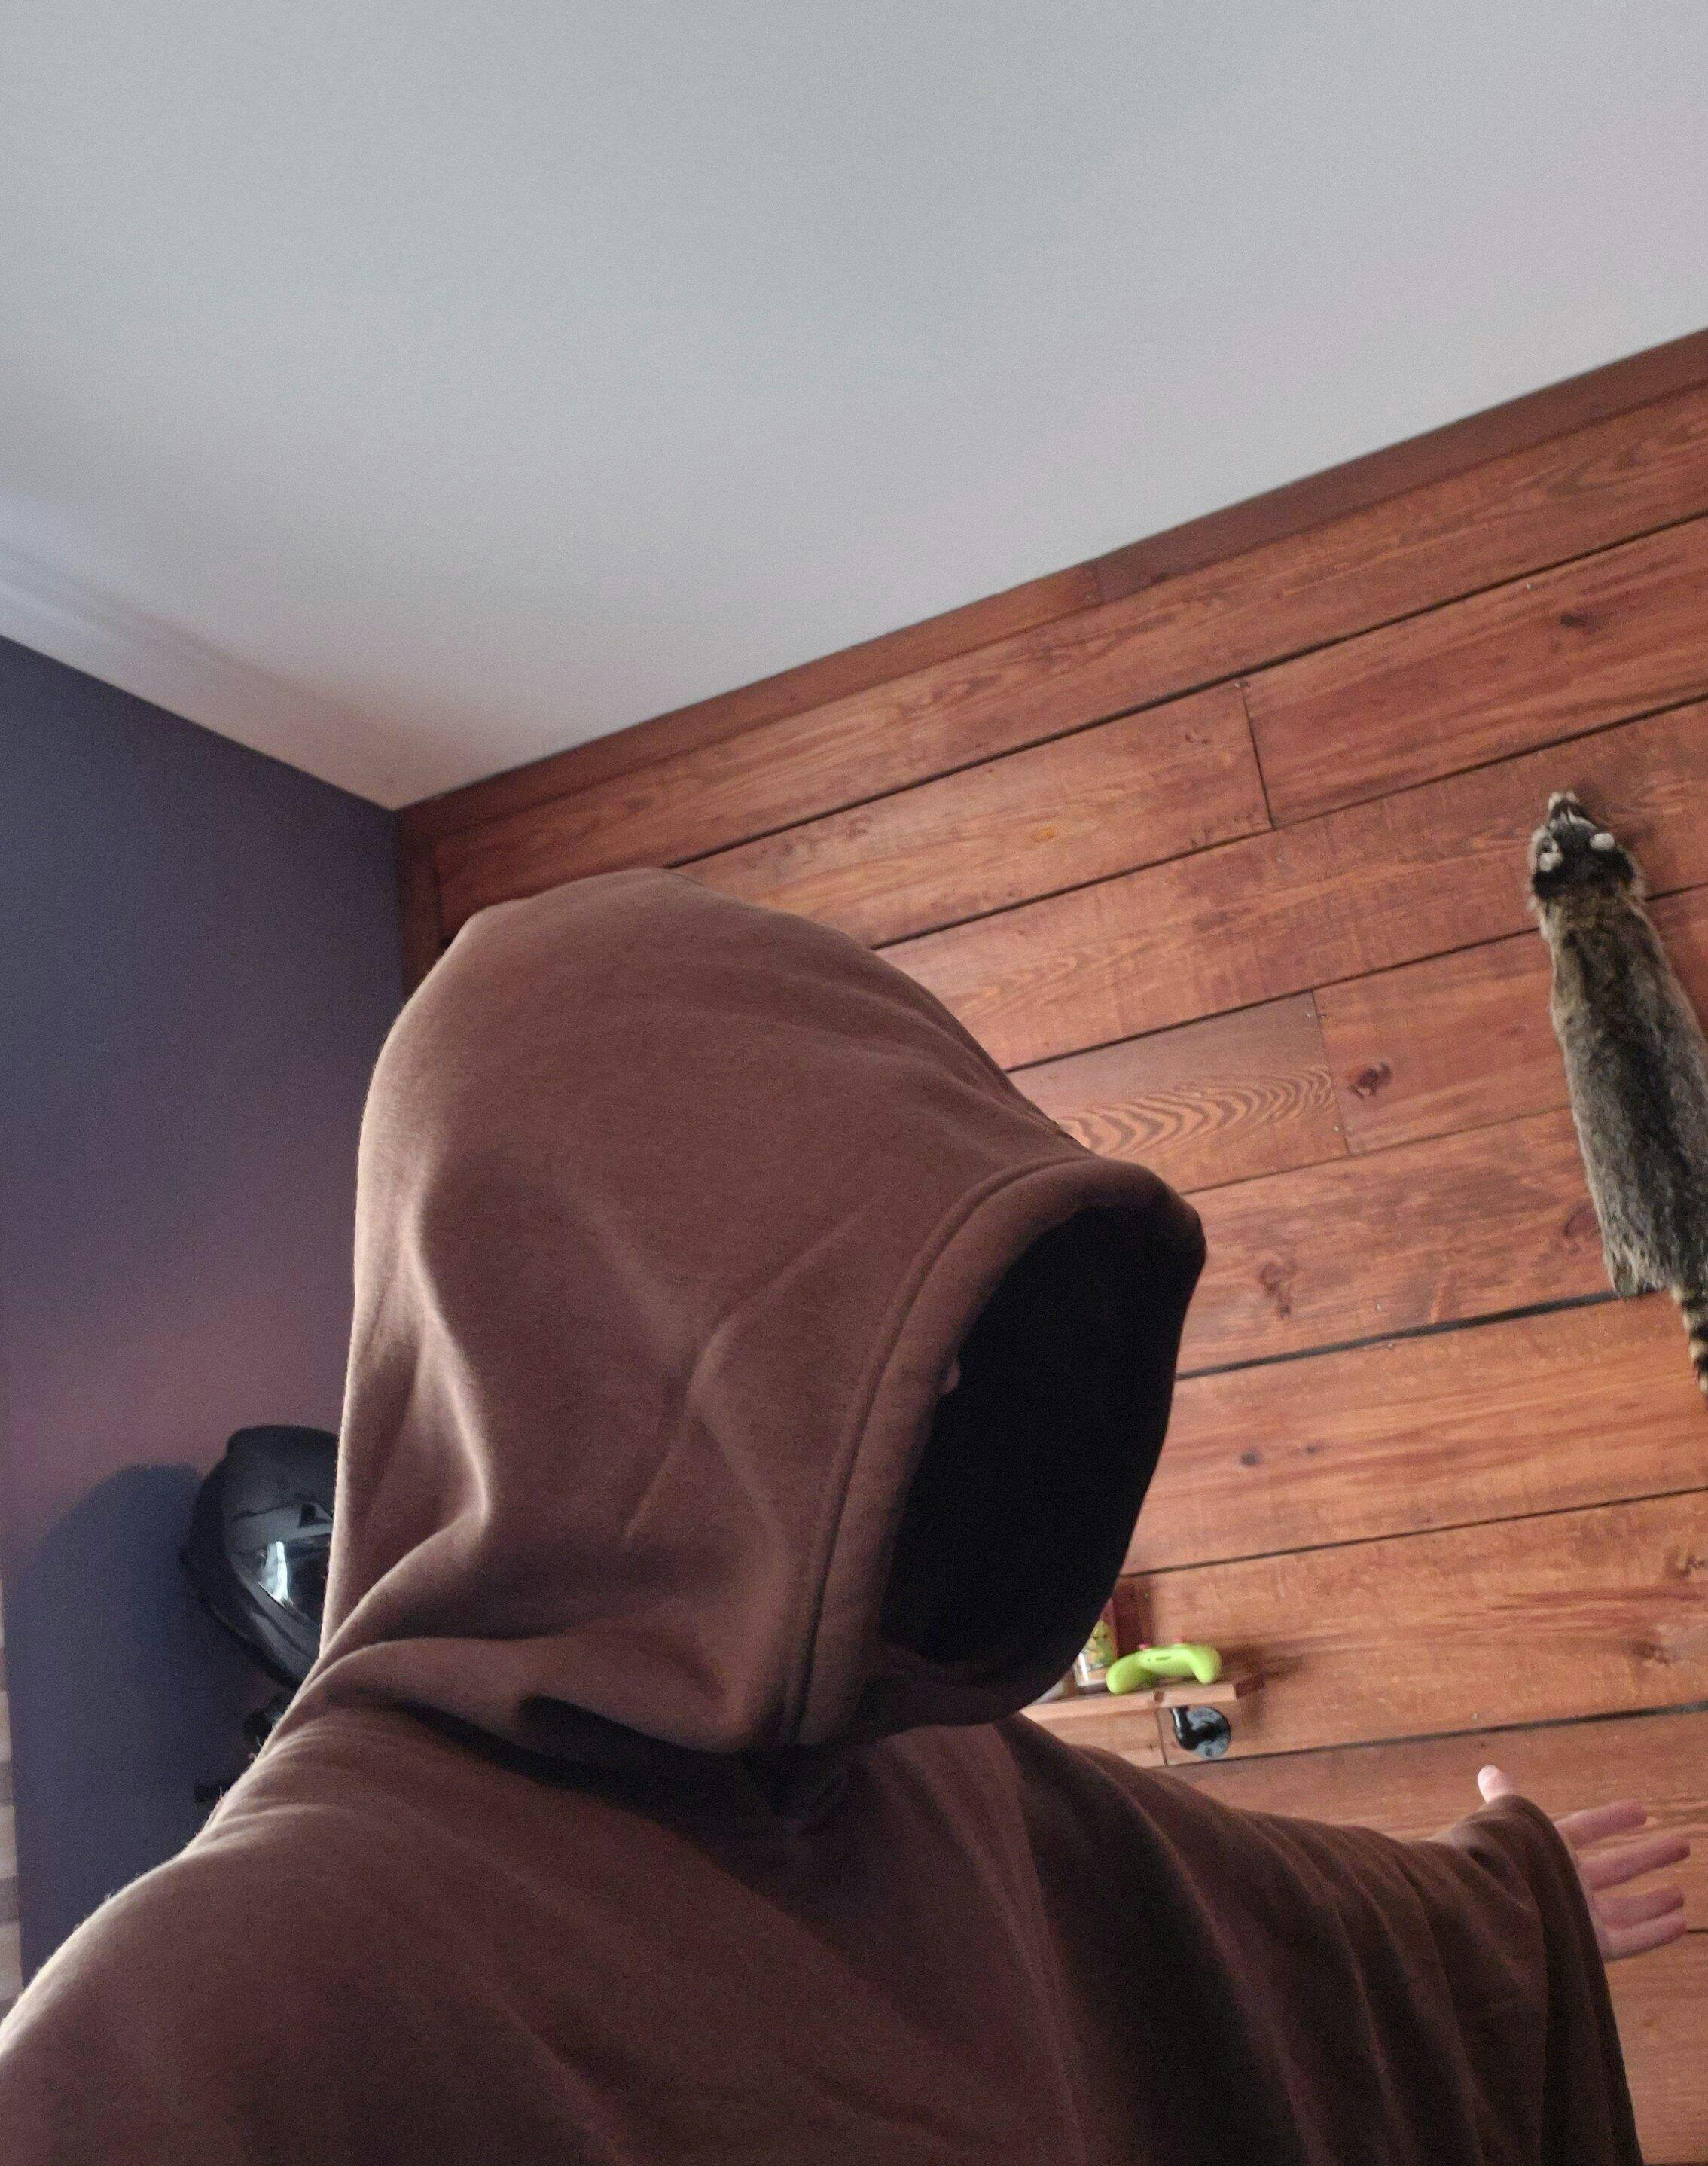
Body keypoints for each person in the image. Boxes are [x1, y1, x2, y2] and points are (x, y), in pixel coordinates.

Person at [0, 871, 1686, 2163]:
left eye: (949, 1352)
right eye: (834, 1347)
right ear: (588, 1345)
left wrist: (1506, 1916)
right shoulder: (222, 1998)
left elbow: (1259, 1925)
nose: (931, 1418)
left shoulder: (941, 1782)